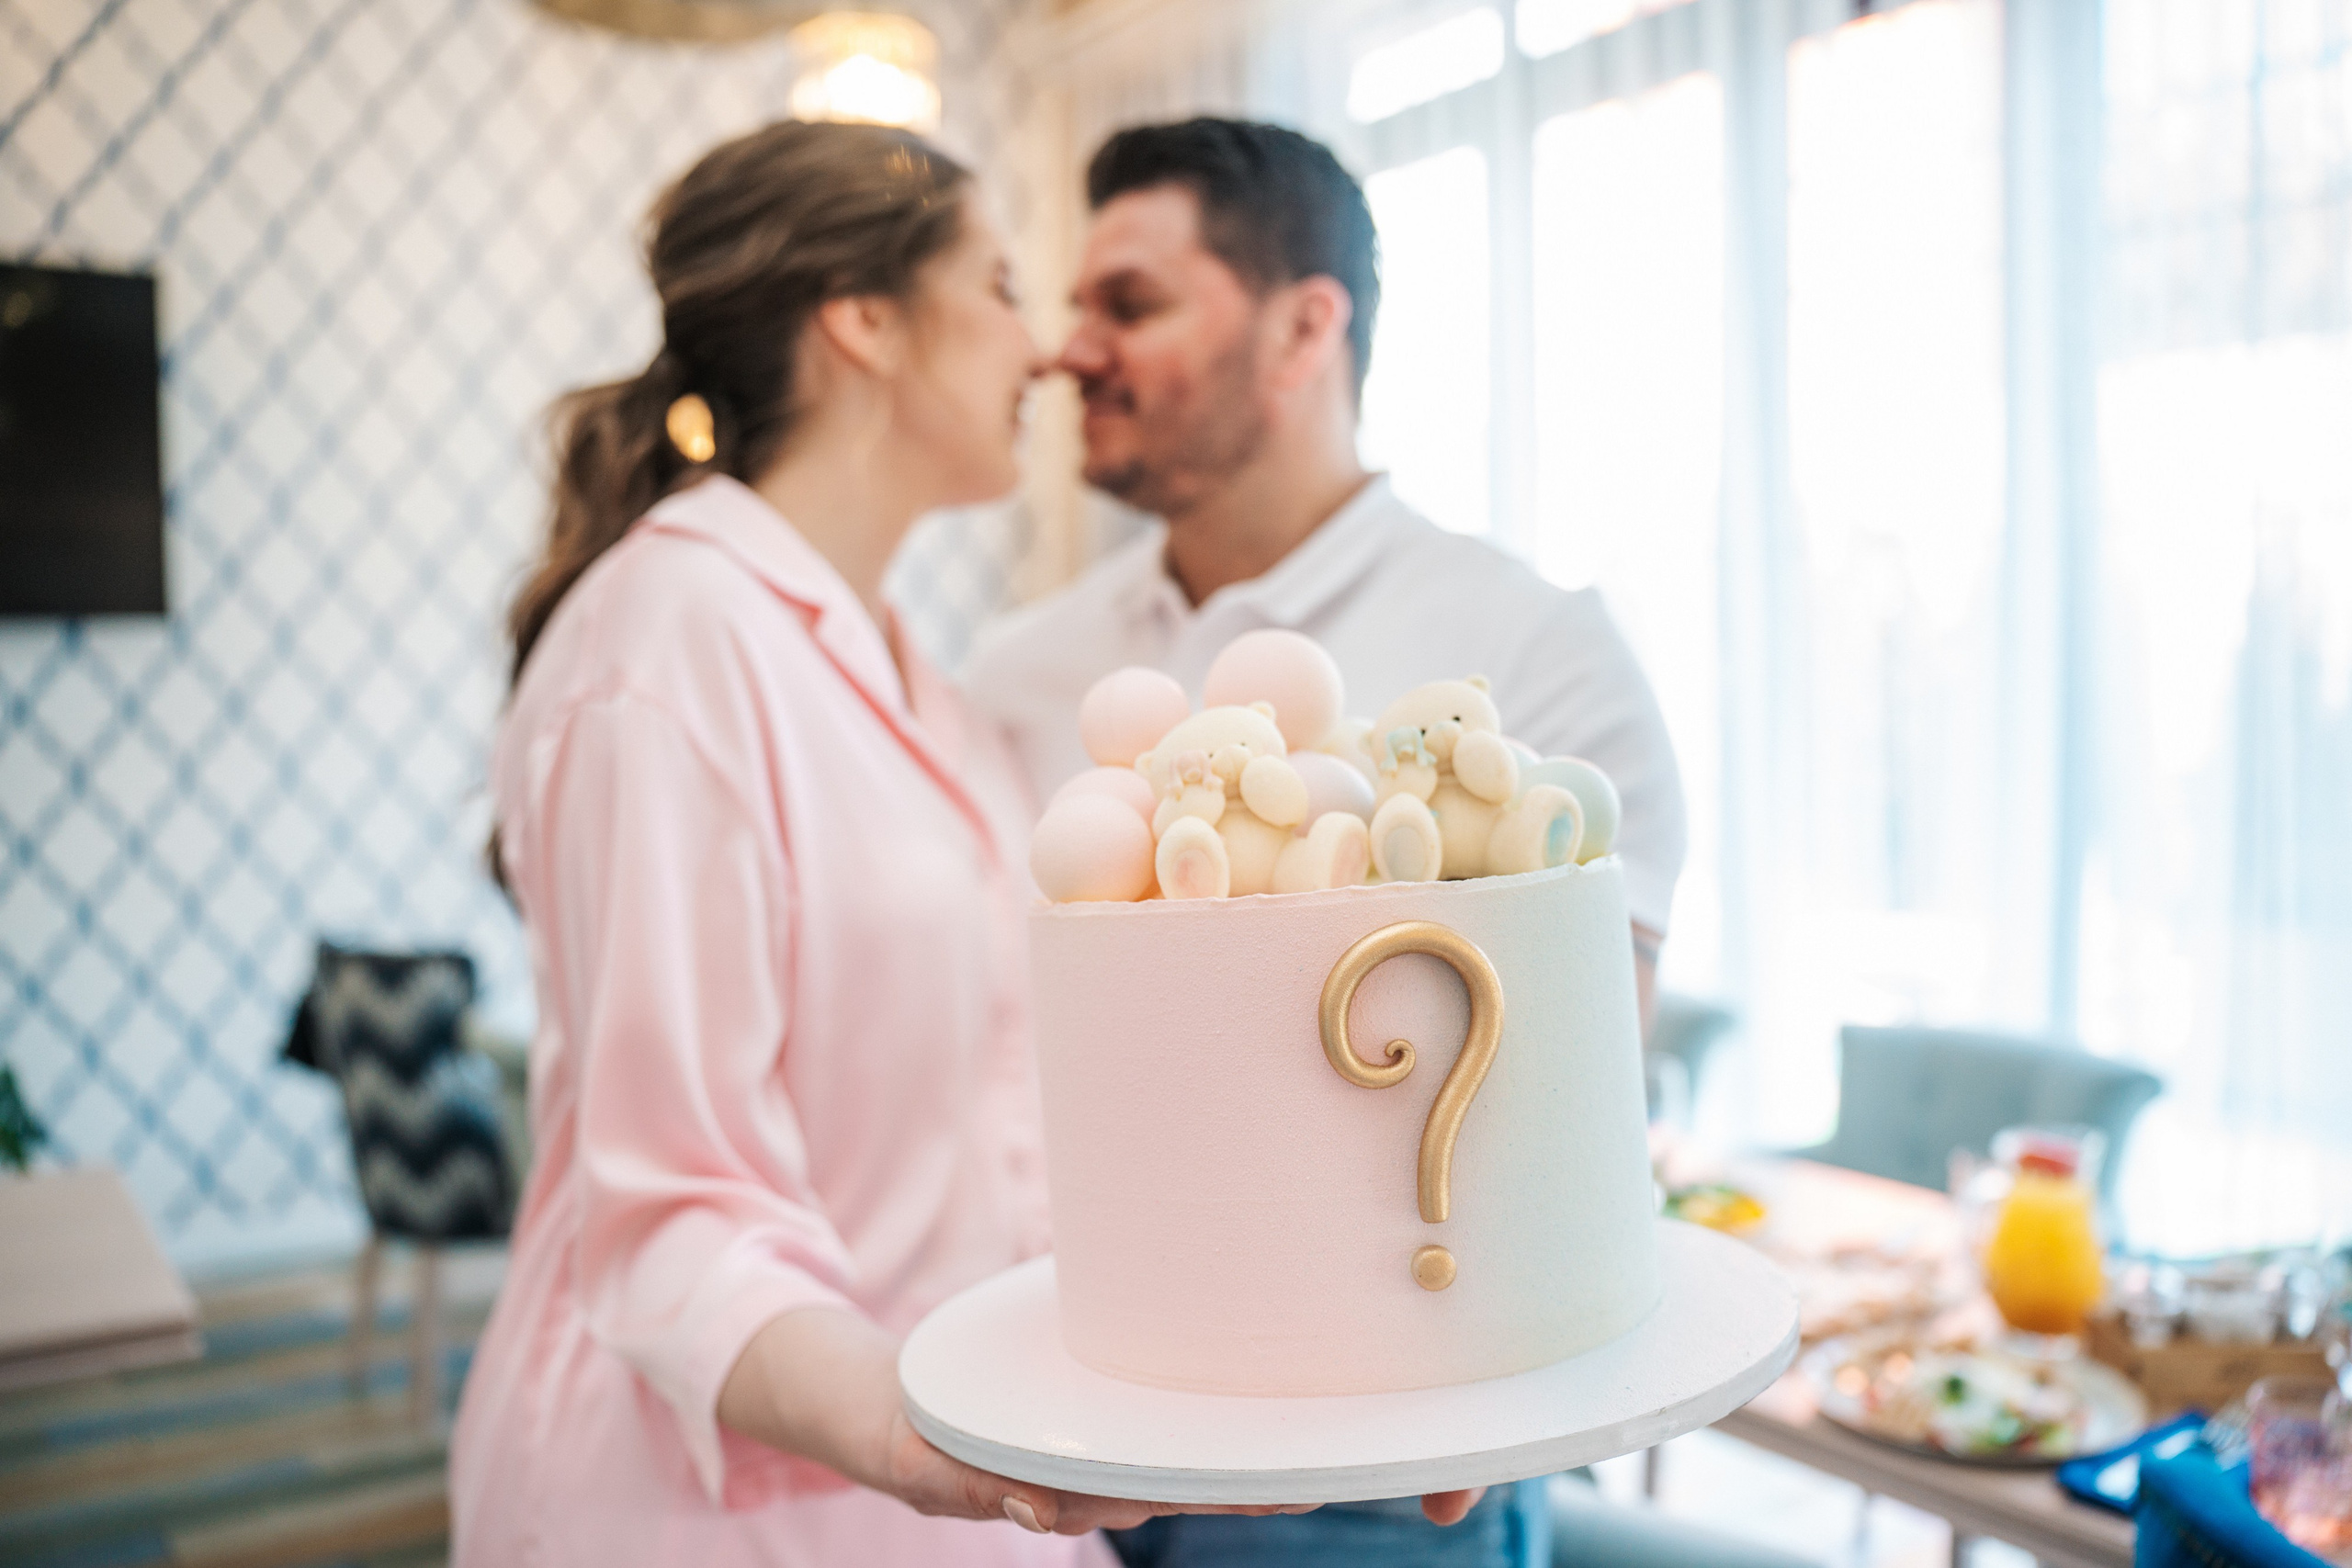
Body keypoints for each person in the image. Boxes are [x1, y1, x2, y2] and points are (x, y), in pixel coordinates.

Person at [447, 121, 1472, 1566]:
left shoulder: (927, 679)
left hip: (949, 1461)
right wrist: (915, 1433)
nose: (1048, 351)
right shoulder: (669, 641)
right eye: (1000, 285)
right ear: (862, 321)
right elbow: (666, 1210)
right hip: (716, 1497)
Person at [964, 117, 1690, 1568]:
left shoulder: (1532, 654)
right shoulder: (1013, 676)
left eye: (1133, 302)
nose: (1069, 350)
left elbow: (1564, 1096)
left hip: (1383, 1473)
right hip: (1043, 1409)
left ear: (1306, 328)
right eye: (1072, 305)